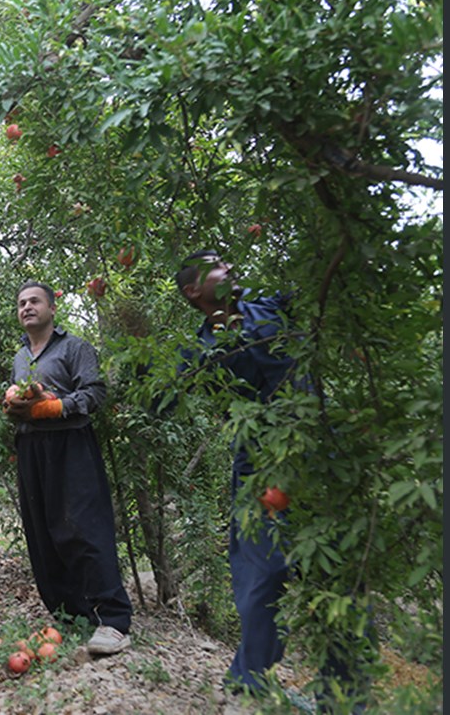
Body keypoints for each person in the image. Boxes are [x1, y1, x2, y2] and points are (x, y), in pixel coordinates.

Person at [171, 250, 367, 709]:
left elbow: (323, 286)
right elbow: (167, 392)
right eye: (216, 266)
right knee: (261, 572)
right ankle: (250, 679)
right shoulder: (200, 350)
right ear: (194, 290)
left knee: (337, 574)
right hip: (258, 466)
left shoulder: (269, 304)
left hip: (319, 454)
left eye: (226, 261)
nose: (230, 268)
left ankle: (342, 696)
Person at [2, 281, 133, 655]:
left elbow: (95, 393)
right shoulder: (20, 357)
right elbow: (24, 400)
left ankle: (114, 620)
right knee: (43, 534)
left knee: (84, 527)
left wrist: (55, 407)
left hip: (71, 444)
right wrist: (17, 408)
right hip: (31, 448)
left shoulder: (74, 347)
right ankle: (73, 616)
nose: (27, 307)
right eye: (21, 302)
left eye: (34, 301)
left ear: (52, 307)